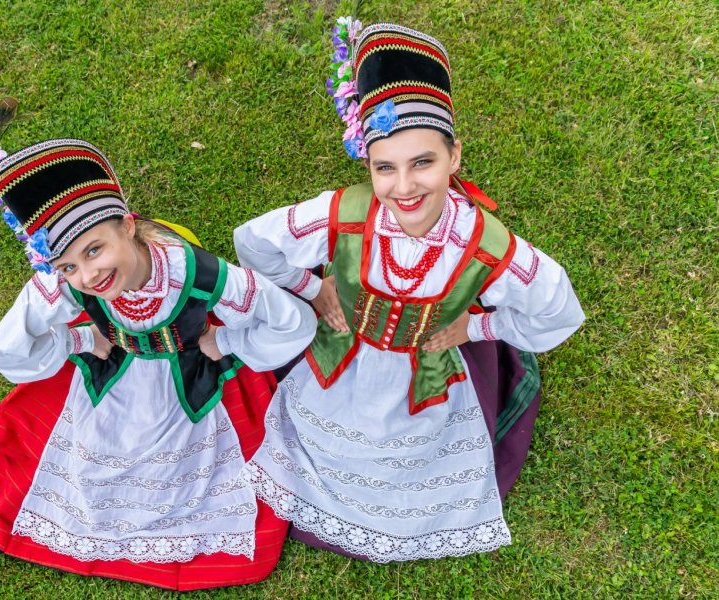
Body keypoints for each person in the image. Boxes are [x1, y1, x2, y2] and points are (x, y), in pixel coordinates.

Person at [233, 21, 585, 562]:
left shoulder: (483, 245)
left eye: (423, 162)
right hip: (343, 358)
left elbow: (557, 310)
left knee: (413, 465)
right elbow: (254, 241)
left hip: (429, 374)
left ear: (455, 156)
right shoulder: (346, 215)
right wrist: (313, 286)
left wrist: (477, 325)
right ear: (368, 165)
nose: (404, 187)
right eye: (385, 168)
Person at [0, 136, 317, 590]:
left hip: (188, 381)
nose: (88, 276)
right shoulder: (68, 284)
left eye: (94, 250)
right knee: (91, 475)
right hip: (116, 375)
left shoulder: (198, 274)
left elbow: (293, 322)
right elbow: (4, 351)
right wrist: (79, 338)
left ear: (128, 226)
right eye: (67, 266)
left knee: (181, 484)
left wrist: (225, 340)